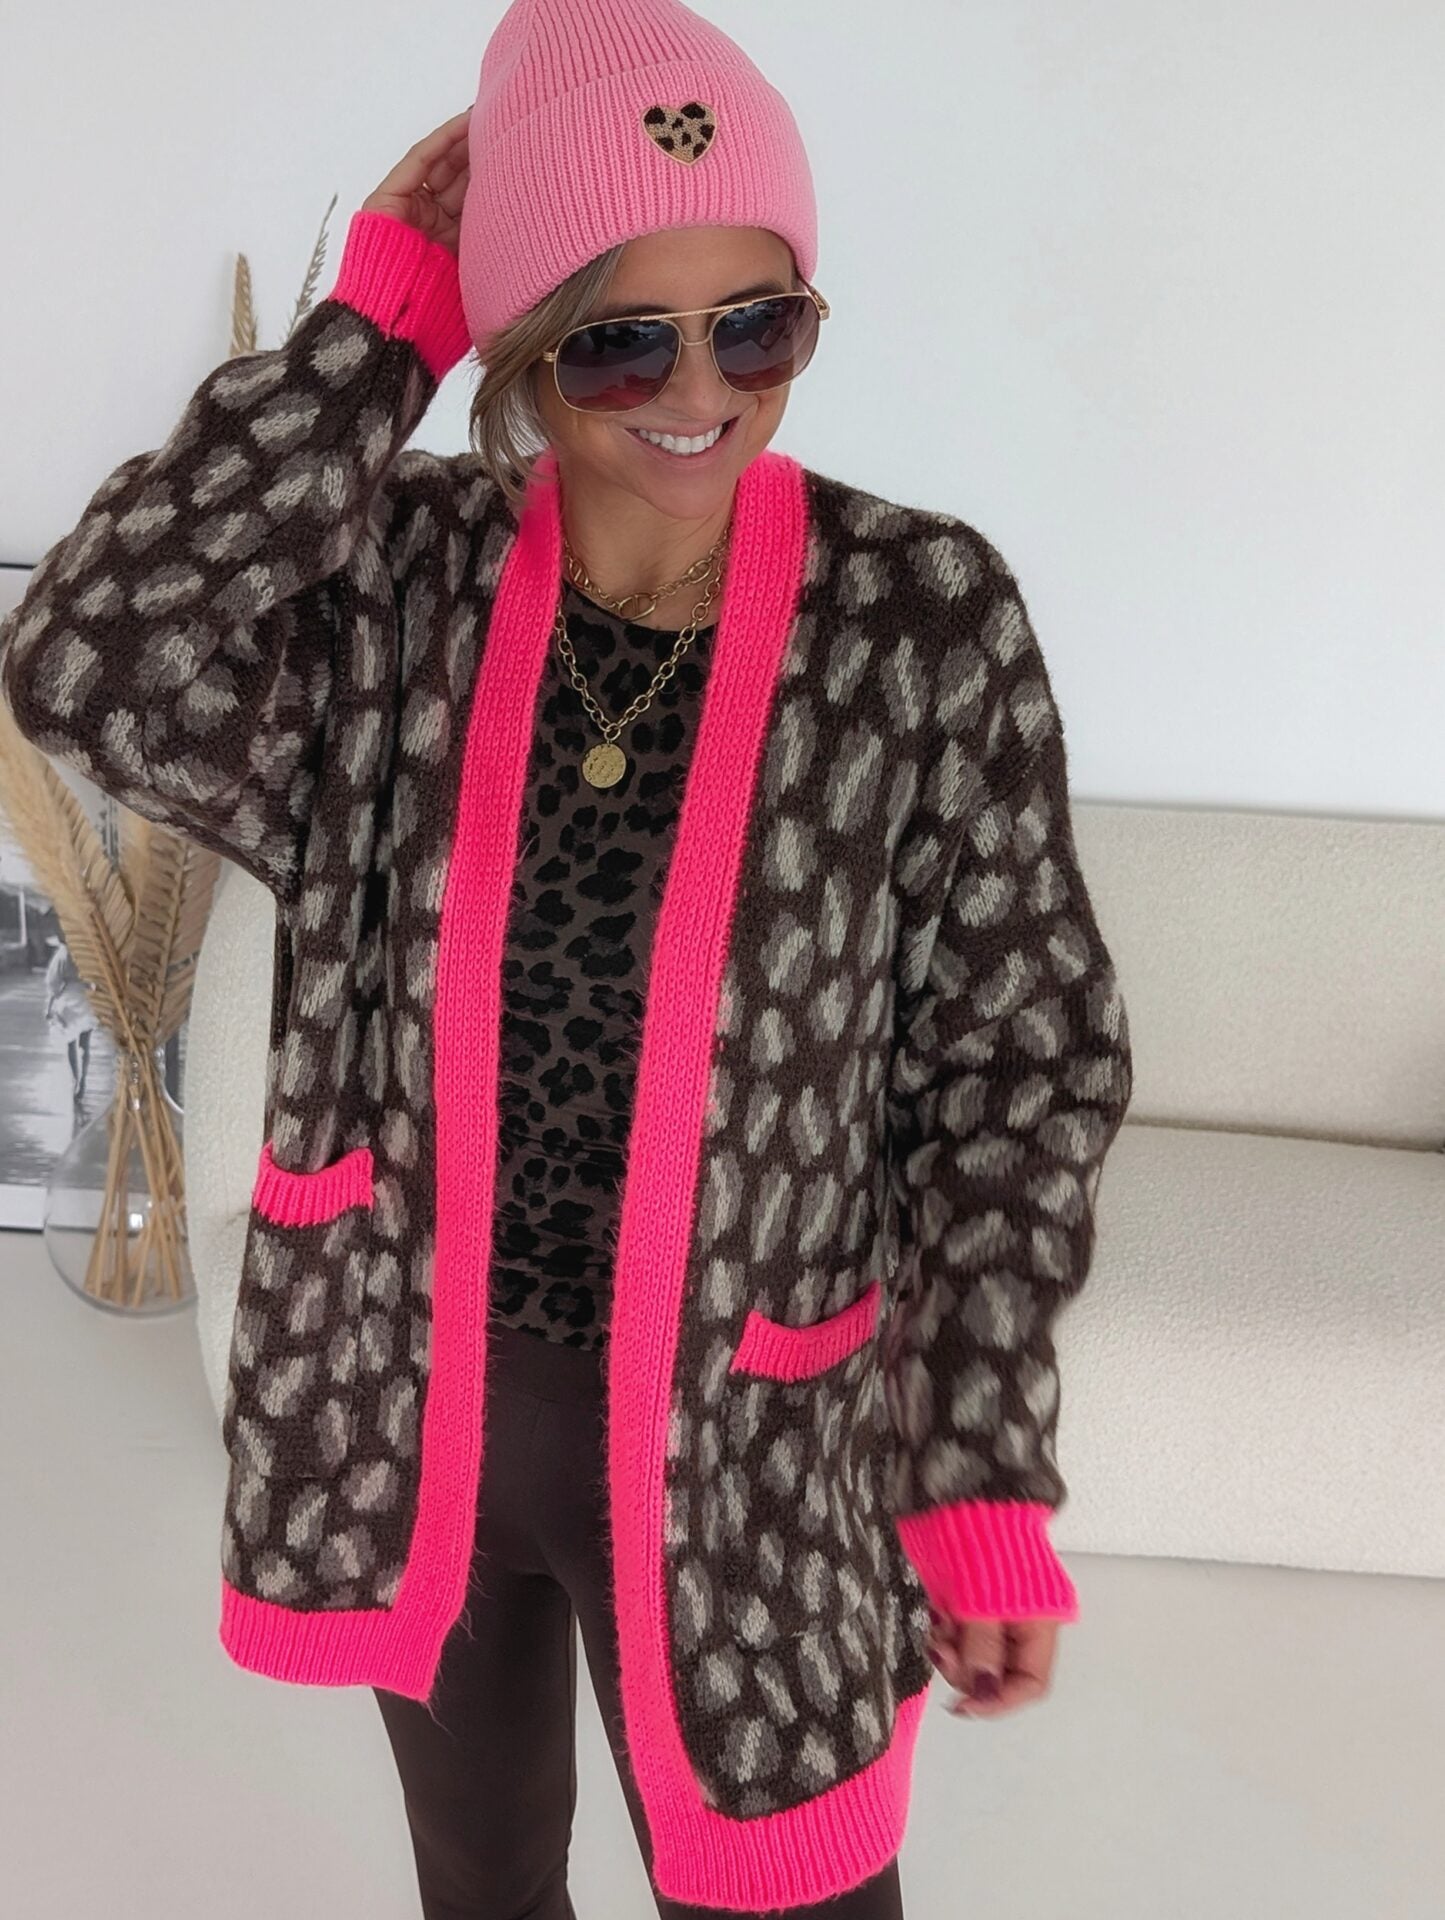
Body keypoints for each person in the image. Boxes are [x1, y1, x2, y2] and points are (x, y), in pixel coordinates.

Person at [0, 2, 1135, 1914]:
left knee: (795, 1890)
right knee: (484, 1886)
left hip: (750, 1450)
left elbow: (1015, 1075)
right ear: (521, 354)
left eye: (756, 324)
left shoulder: (920, 621)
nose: (698, 388)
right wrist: (371, 339)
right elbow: (88, 662)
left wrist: (979, 1474)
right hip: (407, 1401)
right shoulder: (392, 587)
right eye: (618, 338)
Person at [42, 934, 94, 1103]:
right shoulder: (87, 953)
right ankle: (84, 1079)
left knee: (70, 1043)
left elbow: (53, 982)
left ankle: (75, 1079)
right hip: (86, 998)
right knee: (85, 1044)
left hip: (69, 1000)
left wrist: (50, 1007)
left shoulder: (63, 954)